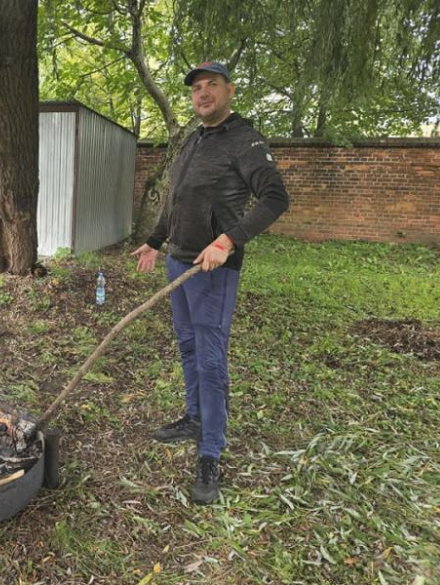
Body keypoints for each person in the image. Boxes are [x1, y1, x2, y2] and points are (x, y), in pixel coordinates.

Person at [131, 61, 290, 504]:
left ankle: (210, 451)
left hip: (212, 269)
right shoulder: (193, 139)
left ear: (229, 90)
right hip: (178, 262)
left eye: (212, 85)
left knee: (211, 359)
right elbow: (176, 199)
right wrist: (154, 241)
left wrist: (227, 240)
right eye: (196, 88)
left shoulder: (245, 139)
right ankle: (195, 417)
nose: (202, 93)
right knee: (188, 347)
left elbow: (276, 198)